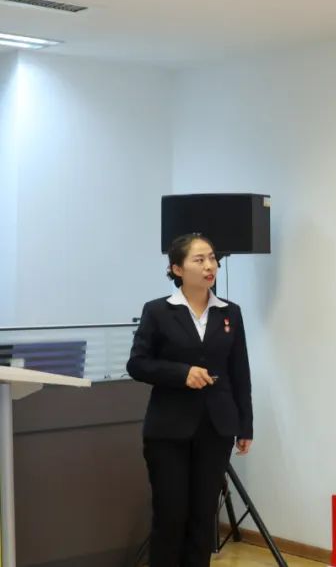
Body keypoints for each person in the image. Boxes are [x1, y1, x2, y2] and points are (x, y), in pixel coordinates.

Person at [128, 233, 253, 566]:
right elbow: (137, 364)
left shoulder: (230, 313)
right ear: (177, 269)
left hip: (217, 427)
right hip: (168, 430)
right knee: (170, 517)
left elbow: (240, 372)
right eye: (199, 260)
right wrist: (181, 373)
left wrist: (245, 426)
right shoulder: (158, 311)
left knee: (203, 518)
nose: (209, 265)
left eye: (212, 258)